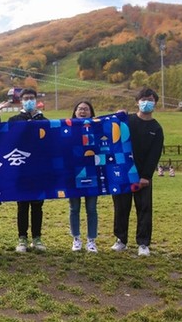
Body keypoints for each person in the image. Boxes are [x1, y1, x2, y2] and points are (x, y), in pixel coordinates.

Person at [0, 88, 47, 253]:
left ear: (36, 100)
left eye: (31, 98)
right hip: (20, 168)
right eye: (26, 98)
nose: (29, 101)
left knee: (37, 205)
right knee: (22, 205)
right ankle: (22, 238)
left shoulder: (44, 121)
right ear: (21, 101)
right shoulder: (15, 120)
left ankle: (37, 238)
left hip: (38, 169)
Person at [111, 87, 164, 256]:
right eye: (143, 99)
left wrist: (146, 176)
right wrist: (117, 117)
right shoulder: (127, 121)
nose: (146, 102)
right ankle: (121, 239)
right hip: (123, 173)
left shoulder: (156, 128)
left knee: (144, 209)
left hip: (142, 176)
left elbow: (154, 154)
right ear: (137, 102)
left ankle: (143, 243)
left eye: (150, 100)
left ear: (155, 103)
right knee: (121, 207)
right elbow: (112, 132)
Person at [68, 101, 98, 253]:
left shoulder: (97, 128)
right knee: (74, 208)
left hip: (92, 172)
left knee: (91, 208)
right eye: (80, 109)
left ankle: (91, 240)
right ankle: (76, 239)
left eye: (86, 109)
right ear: (75, 112)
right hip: (73, 173)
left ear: (91, 113)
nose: (83, 111)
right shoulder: (67, 128)